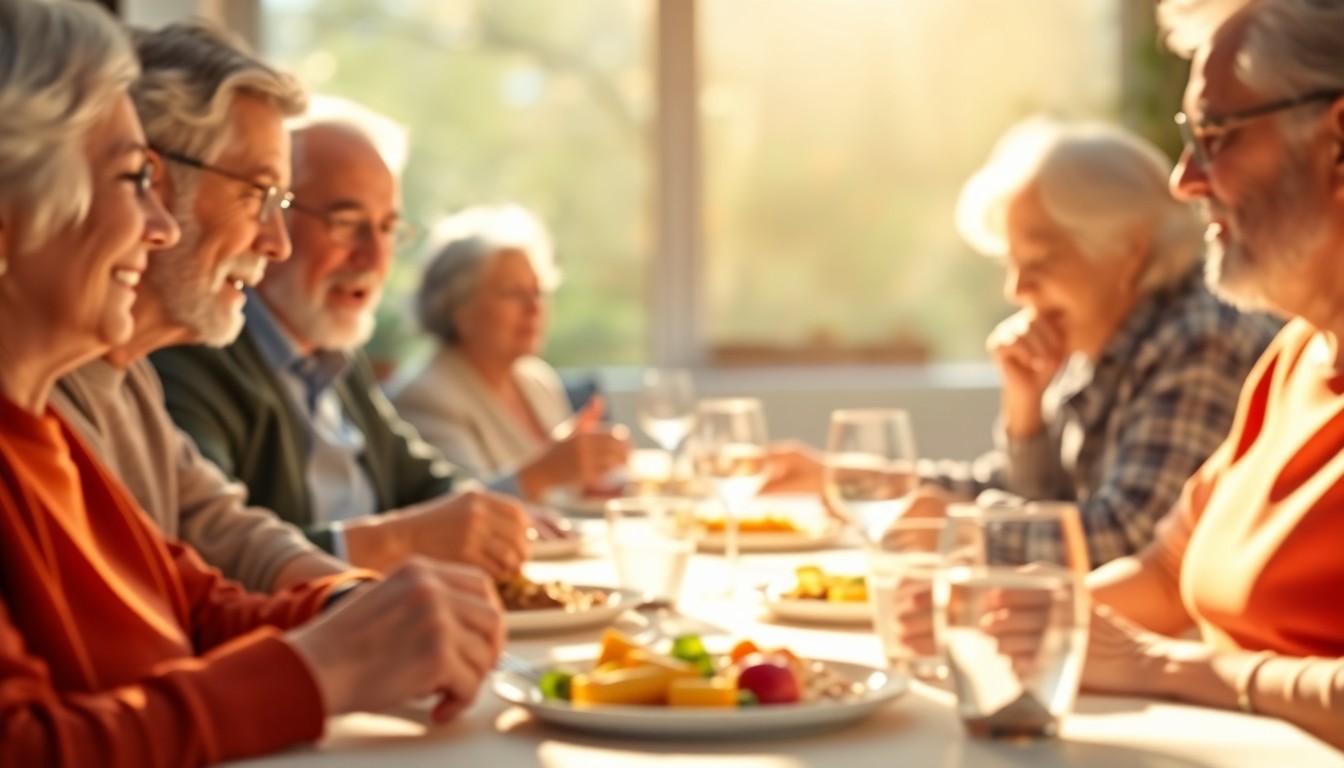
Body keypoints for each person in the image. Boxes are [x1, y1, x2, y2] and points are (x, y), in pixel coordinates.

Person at [0, 3, 504, 765]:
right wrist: (326, 665)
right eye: (132, 179)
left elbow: (198, 594)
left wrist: (355, 610)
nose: (157, 223)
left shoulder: (54, 424)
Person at [992, 0, 1344, 750]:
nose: (1185, 179)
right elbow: (1162, 574)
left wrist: (1171, 669)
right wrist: (1001, 621)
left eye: (1215, 135)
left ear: (1338, 141)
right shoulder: (1293, 360)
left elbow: (1157, 650)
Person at [766, 117, 1279, 567]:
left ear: (1127, 252)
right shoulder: (1105, 333)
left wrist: (962, 524)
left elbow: (1124, 540)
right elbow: (1030, 497)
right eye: (1010, 264)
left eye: (1040, 262)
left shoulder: (1199, 340)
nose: (1017, 290)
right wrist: (859, 480)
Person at [150, 103, 541, 577]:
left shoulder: (335, 356)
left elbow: (423, 480)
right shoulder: (194, 354)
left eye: (386, 228)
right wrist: (404, 540)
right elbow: (213, 559)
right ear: (276, 219)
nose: (374, 256)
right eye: (345, 222)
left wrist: (480, 519)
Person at [50, 21, 359, 594]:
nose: (278, 243)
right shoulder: (43, 389)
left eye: (281, 203)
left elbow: (231, 536)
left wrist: (364, 601)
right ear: (157, 182)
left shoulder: (129, 376)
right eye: (257, 194)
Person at [391, 204, 631, 502]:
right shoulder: (425, 398)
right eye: (512, 293)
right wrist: (548, 471)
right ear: (458, 308)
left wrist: (588, 480)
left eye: (538, 291)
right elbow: (456, 515)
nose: (534, 309)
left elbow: (558, 498)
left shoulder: (536, 379)